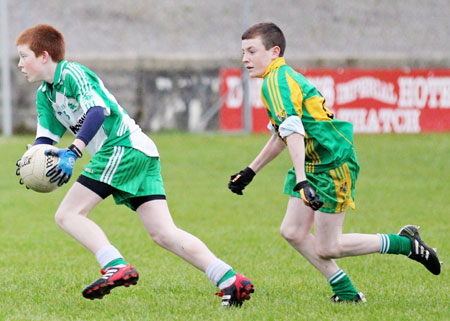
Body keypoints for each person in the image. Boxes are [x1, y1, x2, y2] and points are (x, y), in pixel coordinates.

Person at [14, 24, 254, 307]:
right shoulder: (46, 94)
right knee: (163, 233)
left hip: (122, 147)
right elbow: (45, 138)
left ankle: (114, 265)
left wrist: (74, 152)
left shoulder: (71, 73)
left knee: (68, 214)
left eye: (23, 56)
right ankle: (230, 280)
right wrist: (33, 159)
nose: (19, 64)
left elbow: (97, 111)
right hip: (141, 151)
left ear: (44, 56)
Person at [229, 22, 441, 303]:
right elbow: (284, 134)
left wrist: (302, 181)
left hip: (333, 164)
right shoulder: (277, 79)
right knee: (292, 231)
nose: (245, 59)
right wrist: (250, 171)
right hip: (313, 162)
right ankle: (346, 292)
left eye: (251, 51)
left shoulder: (277, 80)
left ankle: (405, 243)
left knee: (330, 246)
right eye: (243, 52)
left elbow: (292, 131)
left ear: (274, 52)